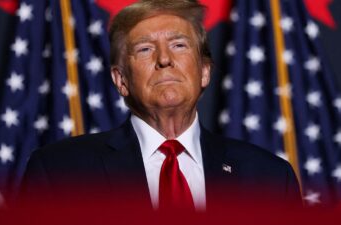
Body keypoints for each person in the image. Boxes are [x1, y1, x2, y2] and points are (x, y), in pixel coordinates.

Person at [21, 0, 301, 211]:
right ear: (121, 79)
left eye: (179, 45)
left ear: (204, 71)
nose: (164, 59)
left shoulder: (270, 178)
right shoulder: (59, 172)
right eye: (145, 49)